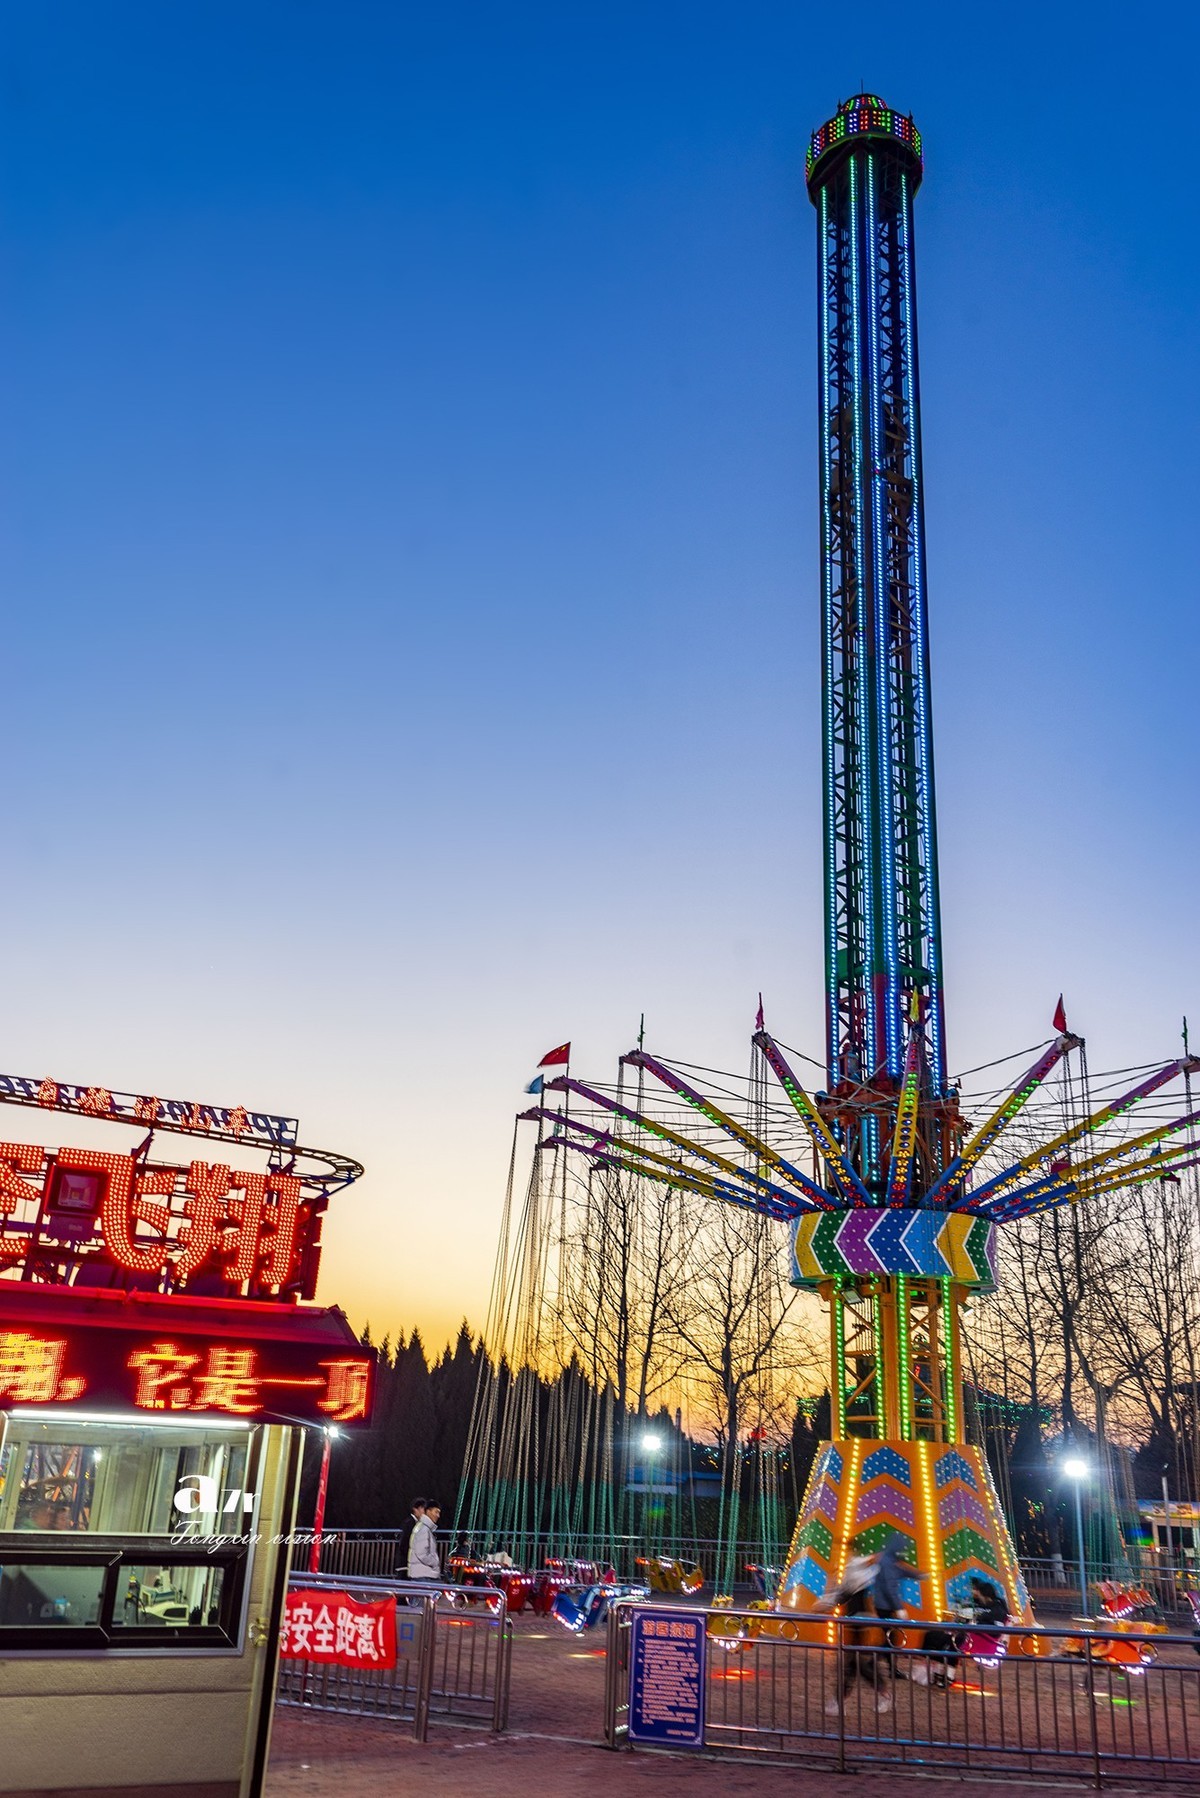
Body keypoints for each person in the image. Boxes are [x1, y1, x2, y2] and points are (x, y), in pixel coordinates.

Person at [407, 1502, 442, 1581]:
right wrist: (435, 1562)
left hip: (421, 1573)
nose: (438, 1516)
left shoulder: (422, 1527)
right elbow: (421, 1553)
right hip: (425, 1575)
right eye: (436, 1512)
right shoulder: (424, 1529)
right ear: (428, 1511)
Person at [395, 1498, 425, 1578]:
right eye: (422, 1509)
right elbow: (404, 1543)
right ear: (415, 1509)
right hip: (405, 1564)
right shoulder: (409, 1524)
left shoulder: (416, 1523)